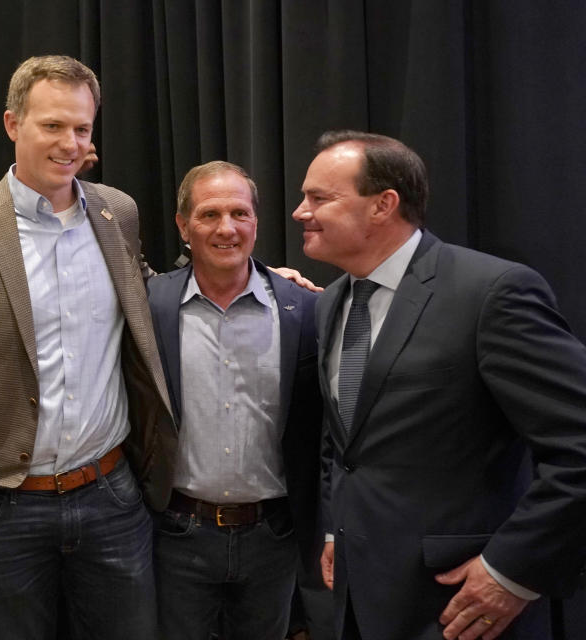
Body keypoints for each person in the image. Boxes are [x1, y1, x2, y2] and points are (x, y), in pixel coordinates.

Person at [0, 55, 175, 640]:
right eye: (52, 125)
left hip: (111, 496)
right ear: (12, 124)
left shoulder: (117, 212)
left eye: (82, 128)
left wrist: (257, 277)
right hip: (5, 508)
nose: (70, 143)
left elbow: (149, 293)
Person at [291, 130, 586, 640]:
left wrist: (511, 572)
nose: (300, 211)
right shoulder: (332, 301)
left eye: (319, 198)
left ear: (384, 204)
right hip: (356, 600)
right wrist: (338, 527)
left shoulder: (491, 293)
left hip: (459, 607)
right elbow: (343, 443)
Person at [147, 161, 323, 640]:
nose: (226, 228)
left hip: (274, 538)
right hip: (177, 534)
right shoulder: (149, 306)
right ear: (183, 225)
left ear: (256, 222)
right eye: (208, 215)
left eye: (239, 213)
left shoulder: (304, 309)